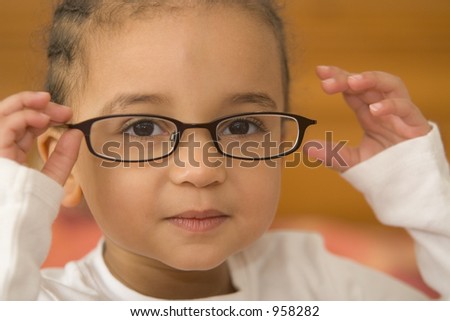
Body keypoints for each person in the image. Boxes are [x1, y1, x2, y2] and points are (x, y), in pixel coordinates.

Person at [0, 0, 449, 300]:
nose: (201, 170)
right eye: (141, 128)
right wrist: (11, 205)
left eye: (241, 125)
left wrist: (421, 194)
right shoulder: (39, 299)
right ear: (66, 165)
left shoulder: (317, 282)